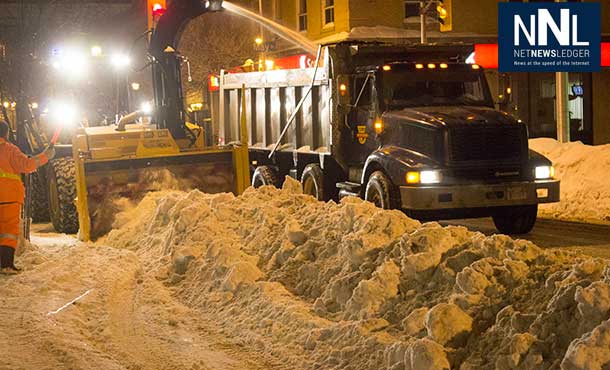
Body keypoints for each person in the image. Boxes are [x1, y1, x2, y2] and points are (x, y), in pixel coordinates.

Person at [0, 120, 55, 274]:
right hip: (8, 197)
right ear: (6, 134)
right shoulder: (9, 150)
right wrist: (45, 156)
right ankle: (6, 265)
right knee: (7, 232)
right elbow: (27, 165)